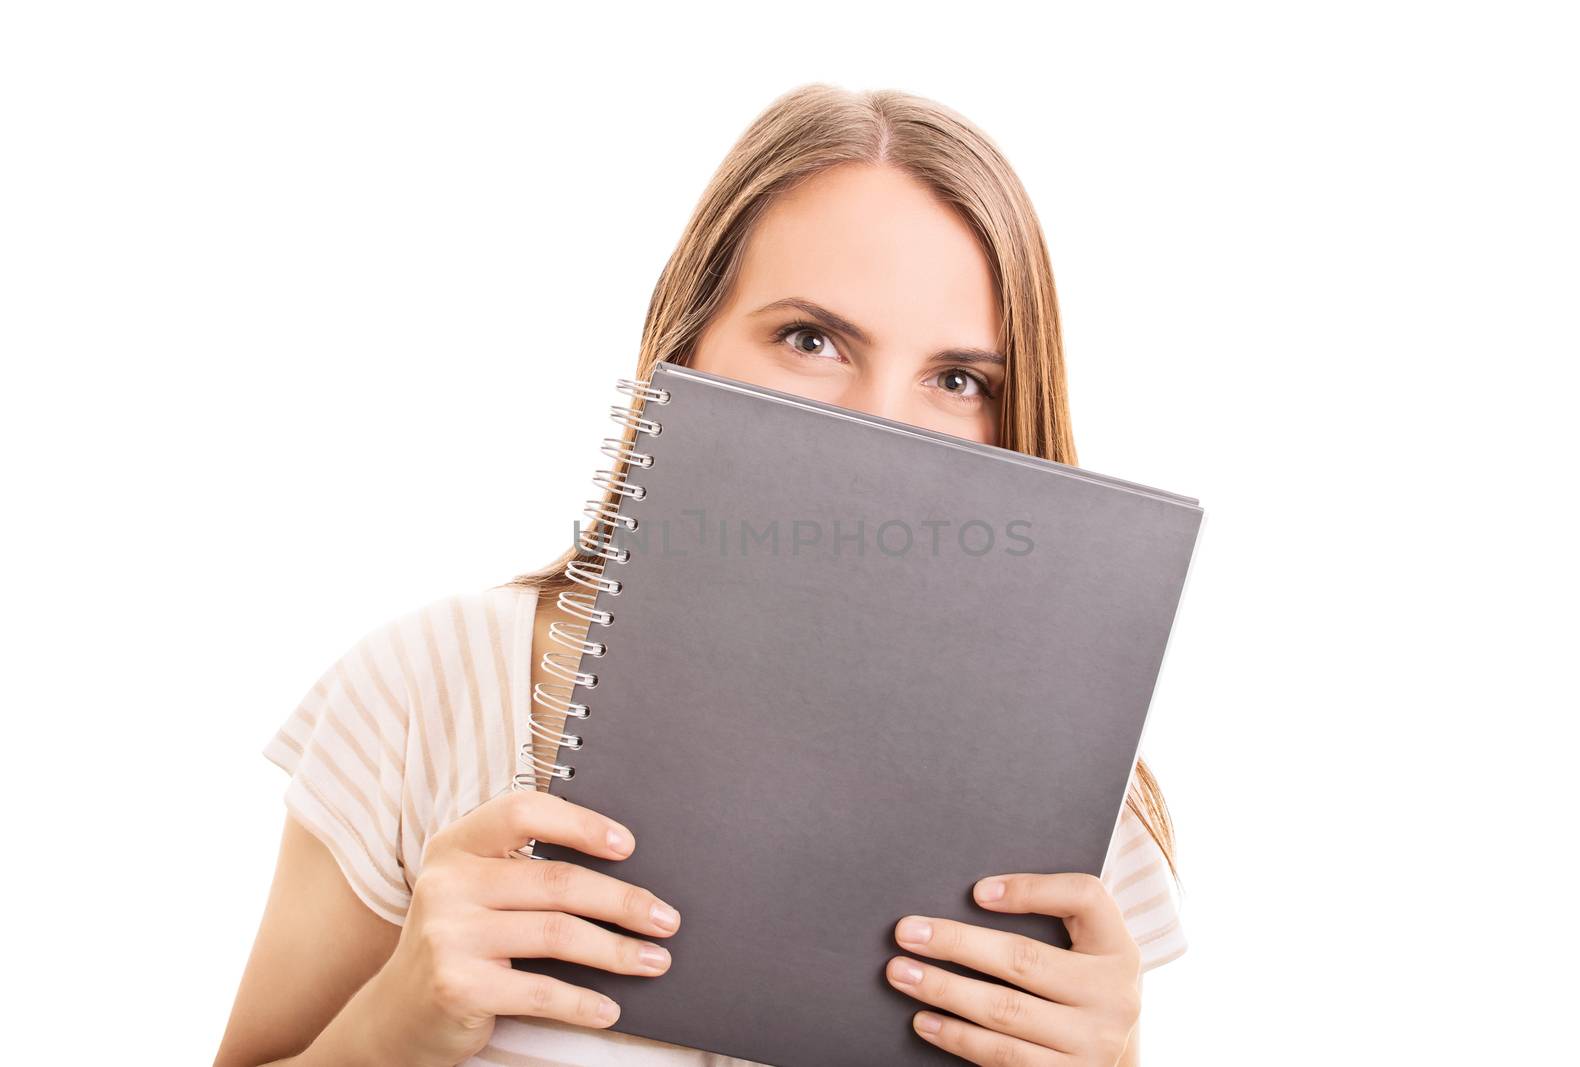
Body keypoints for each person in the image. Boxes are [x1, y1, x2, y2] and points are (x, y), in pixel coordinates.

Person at [216, 82, 1187, 1067]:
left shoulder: (1081, 816)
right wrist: (396, 1021)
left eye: (957, 379)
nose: (878, 424)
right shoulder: (424, 684)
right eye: (810, 339)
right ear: (686, 347)